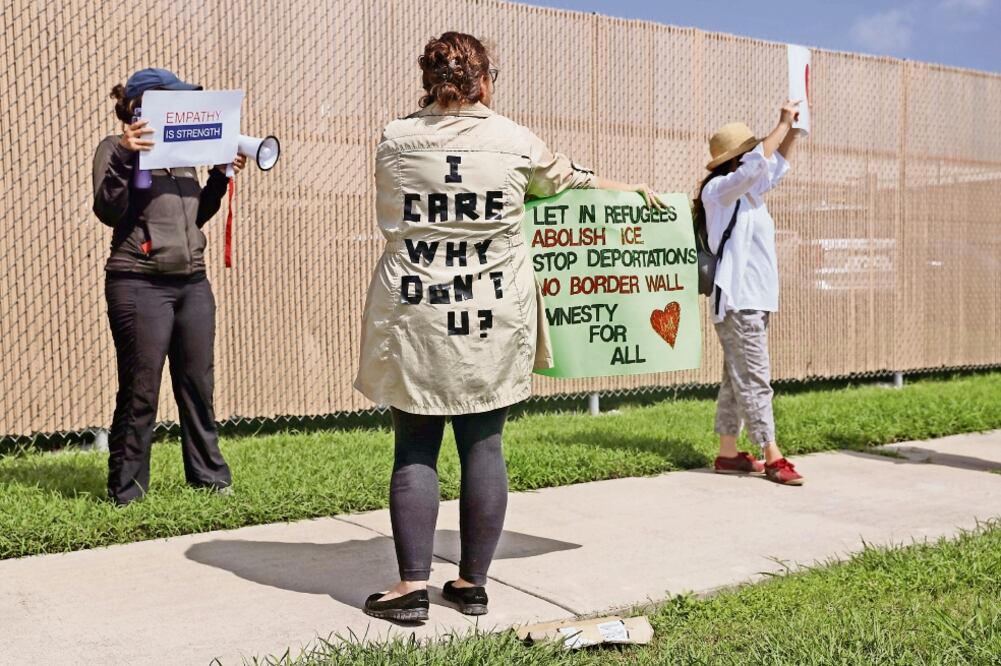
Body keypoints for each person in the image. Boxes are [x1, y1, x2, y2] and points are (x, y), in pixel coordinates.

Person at [355, 32, 663, 622]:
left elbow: (392, 215)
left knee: (415, 444)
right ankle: (471, 585)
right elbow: (570, 181)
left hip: (416, 313)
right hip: (491, 318)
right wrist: (633, 192)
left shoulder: (394, 141)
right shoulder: (517, 142)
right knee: (484, 445)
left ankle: (410, 588)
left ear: (427, 80)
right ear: (486, 81)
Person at [92, 68, 246, 506]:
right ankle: (127, 490)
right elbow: (108, 209)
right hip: (138, 283)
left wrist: (218, 175)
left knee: (198, 383)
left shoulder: (182, 154)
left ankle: (210, 479)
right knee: (141, 390)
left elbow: (194, 218)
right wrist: (126, 155)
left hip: (193, 283)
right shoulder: (113, 148)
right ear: (142, 105)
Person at [693, 102, 805, 486]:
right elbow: (760, 164)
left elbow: (774, 168)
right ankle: (771, 454)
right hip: (738, 300)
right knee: (756, 378)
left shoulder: (749, 193)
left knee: (736, 378)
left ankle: (727, 453)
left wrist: (791, 132)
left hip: (756, 299)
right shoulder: (719, 191)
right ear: (736, 159)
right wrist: (780, 123)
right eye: (749, 151)